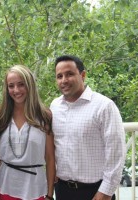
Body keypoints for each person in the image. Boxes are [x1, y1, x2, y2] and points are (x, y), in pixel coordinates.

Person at [50, 55, 126, 200]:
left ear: (82, 75)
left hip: (94, 192)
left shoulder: (104, 106)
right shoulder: (55, 106)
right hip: (62, 191)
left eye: (69, 74)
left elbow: (116, 153)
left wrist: (105, 193)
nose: (64, 80)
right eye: (59, 76)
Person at [0, 65, 56, 200]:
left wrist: (50, 194)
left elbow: (50, 157)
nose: (16, 90)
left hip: (35, 188)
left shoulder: (44, 116)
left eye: (21, 84)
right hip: (5, 186)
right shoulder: (2, 116)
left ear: (30, 85)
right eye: (11, 86)